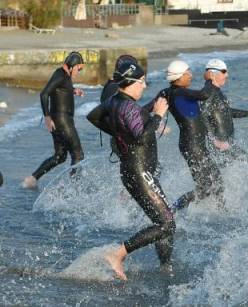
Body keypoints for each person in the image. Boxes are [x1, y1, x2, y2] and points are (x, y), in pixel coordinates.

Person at [89, 62, 174, 280]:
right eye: (142, 82)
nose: (144, 86)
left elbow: (93, 116)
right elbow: (143, 136)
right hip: (139, 171)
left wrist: (119, 133)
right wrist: (158, 115)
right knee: (166, 224)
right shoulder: (128, 107)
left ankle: (165, 266)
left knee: (165, 223)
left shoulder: (114, 101)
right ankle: (117, 254)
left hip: (133, 171)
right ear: (132, 83)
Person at [157, 61, 225, 212]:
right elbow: (204, 94)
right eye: (188, 72)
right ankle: (172, 210)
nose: (191, 75)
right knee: (205, 187)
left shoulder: (167, 92)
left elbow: (147, 108)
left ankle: (220, 211)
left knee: (217, 182)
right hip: (192, 146)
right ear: (179, 76)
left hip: (195, 145)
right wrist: (209, 80)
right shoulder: (179, 92)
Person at [23, 51, 86, 189]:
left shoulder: (63, 75)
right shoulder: (61, 75)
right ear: (72, 66)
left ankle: (32, 179)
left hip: (59, 120)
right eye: (79, 69)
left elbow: (59, 89)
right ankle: (74, 189)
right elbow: (44, 93)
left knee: (60, 156)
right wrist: (46, 117)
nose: (79, 71)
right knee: (78, 154)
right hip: (63, 121)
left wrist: (73, 90)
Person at [201, 59, 248, 165]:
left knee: (242, 166)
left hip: (226, 143)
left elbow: (226, 112)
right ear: (212, 74)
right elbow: (201, 115)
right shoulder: (208, 91)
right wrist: (214, 140)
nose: (227, 75)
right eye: (224, 71)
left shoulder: (216, 91)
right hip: (220, 145)